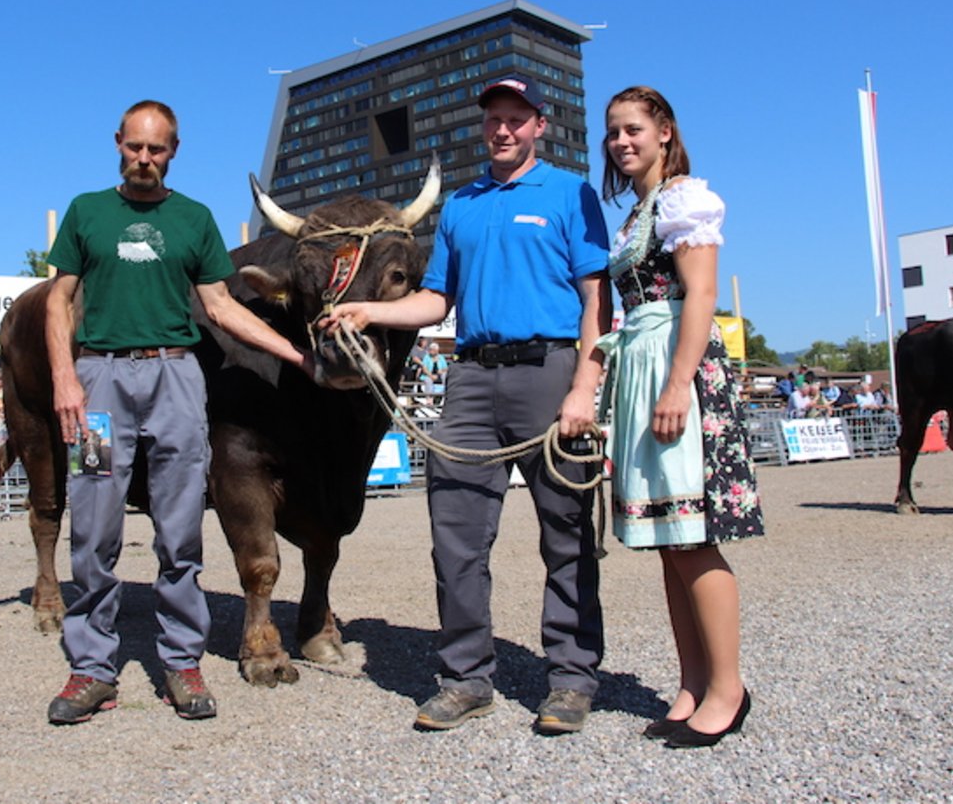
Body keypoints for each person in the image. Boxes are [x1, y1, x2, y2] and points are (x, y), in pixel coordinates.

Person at [324, 75, 612, 734]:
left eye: (516, 118)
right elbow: (436, 302)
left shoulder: (571, 193)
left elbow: (597, 298)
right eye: (493, 120)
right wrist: (370, 310)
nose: (502, 129)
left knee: (566, 534)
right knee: (454, 536)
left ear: (540, 124)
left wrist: (584, 388)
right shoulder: (461, 205)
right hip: (471, 379)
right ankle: (465, 677)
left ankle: (570, 677)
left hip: (552, 368)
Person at [44, 99, 314, 726]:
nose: (144, 158)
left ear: (174, 150)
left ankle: (182, 661)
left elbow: (221, 306)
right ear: (118, 143)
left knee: (180, 526)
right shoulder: (87, 212)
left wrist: (296, 356)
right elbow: (60, 302)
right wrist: (65, 379)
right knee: (92, 521)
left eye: (156, 148)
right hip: (99, 382)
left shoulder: (194, 219)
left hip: (176, 379)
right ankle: (92, 668)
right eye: (135, 147)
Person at [598, 85, 762, 748]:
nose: (621, 141)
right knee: (669, 540)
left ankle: (729, 687)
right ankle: (693, 682)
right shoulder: (640, 210)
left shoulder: (684, 198)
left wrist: (676, 384)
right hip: (641, 358)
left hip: (674, 360)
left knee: (693, 535)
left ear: (664, 130)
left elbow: (700, 295)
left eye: (633, 128)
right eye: (612, 131)